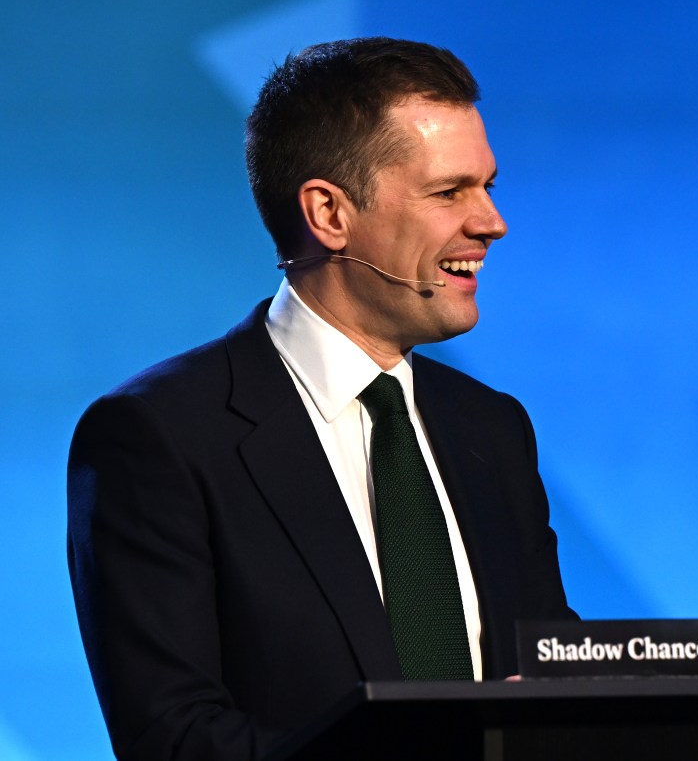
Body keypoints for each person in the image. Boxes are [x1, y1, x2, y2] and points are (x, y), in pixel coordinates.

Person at [66, 37, 577, 760]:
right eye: (449, 191)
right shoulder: (160, 437)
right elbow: (173, 737)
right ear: (329, 213)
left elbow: (549, 677)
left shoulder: (491, 429)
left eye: (489, 186)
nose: (491, 221)